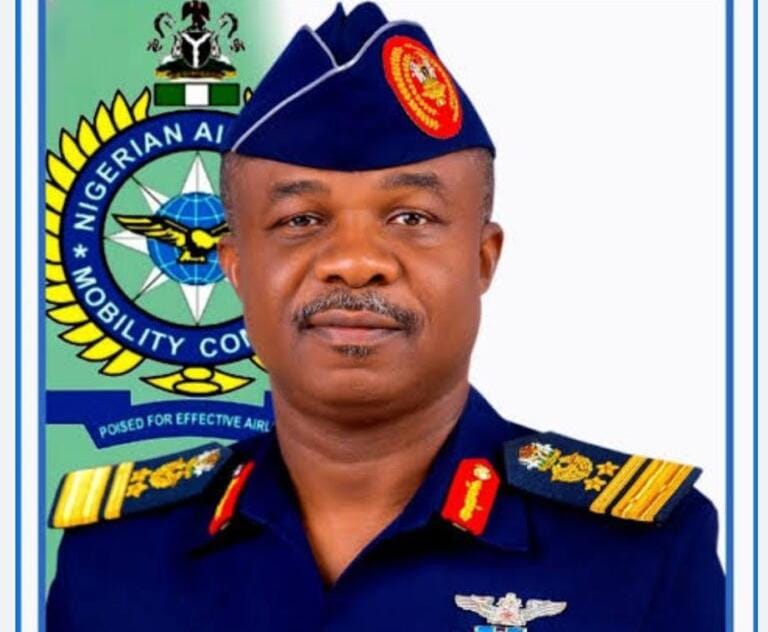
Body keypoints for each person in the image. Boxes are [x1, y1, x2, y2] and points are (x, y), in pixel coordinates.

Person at [47, 3, 725, 630]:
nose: (354, 262)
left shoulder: (638, 554)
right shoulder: (115, 557)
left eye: (411, 217)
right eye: (300, 219)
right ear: (236, 267)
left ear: (482, 259)